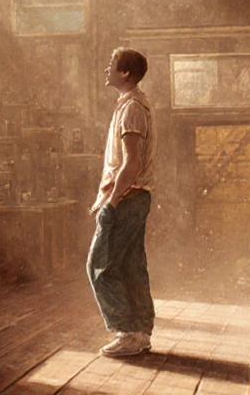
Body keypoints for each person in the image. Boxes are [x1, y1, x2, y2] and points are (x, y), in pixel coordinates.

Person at [87, 47, 157, 358]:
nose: (106, 69)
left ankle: (128, 332)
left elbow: (132, 163)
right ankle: (140, 332)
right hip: (133, 197)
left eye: (111, 65)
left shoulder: (131, 109)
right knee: (131, 266)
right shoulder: (131, 105)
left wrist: (111, 202)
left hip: (127, 198)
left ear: (125, 73)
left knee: (99, 266)